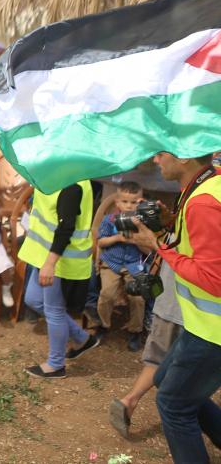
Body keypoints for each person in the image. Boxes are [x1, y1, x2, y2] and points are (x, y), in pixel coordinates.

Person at [143, 151, 221, 461]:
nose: (155, 161)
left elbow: (214, 279)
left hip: (213, 332)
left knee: (174, 406)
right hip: (203, 325)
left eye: (161, 153)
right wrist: (170, 224)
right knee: (163, 379)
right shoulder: (208, 183)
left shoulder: (203, 202)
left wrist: (159, 246)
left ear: (185, 156)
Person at [20, 179, 99, 379]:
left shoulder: (71, 185)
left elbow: (66, 228)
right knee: (33, 299)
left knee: (54, 311)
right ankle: (82, 339)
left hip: (61, 260)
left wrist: (50, 264)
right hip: (44, 253)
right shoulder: (56, 175)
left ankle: (56, 365)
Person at [109, 262, 183, 439]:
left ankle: (130, 400)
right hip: (200, 315)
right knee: (192, 373)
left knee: (156, 359)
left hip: (168, 300)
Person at [95, 181, 148, 351]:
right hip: (111, 262)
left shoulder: (143, 223)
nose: (129, 206)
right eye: (125, 201)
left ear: (140, 202)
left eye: (134, 202)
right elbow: (101, 242)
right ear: (117, 202)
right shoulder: (109, 220)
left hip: (134, 263)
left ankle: (135, 330)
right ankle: (103, 325)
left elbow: (149, 250)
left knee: (137, 297)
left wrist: (136, 239)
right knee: (106, 294)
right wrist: (118, 238)